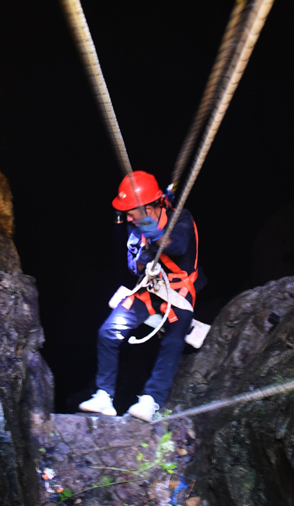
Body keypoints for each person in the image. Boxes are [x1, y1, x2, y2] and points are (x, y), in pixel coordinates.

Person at [79, 171, 205, 422]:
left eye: (130, 211)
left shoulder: (181, 218)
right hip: (149, 289)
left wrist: (153, 231)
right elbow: (132, 265)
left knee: (173, 341)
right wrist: (143, 261)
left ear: (147, 207)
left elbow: (177, 246)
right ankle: (104, 396)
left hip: (177, 294)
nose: (126, 217)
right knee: (108, 331)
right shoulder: (134, 226)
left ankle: (151, 401)